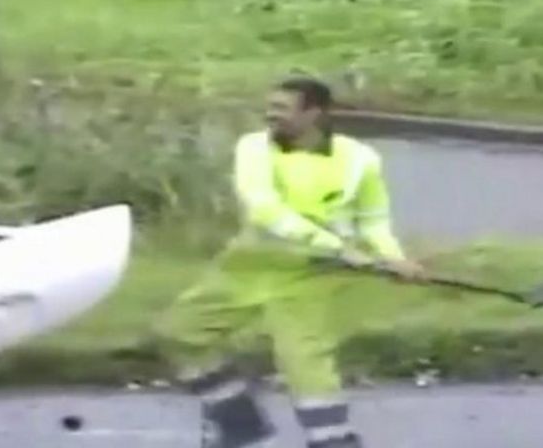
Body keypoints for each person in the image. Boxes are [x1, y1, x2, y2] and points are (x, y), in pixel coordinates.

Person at [152, 76, 426, 448]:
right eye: (271, 106)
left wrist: (394, 259)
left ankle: (334, 441)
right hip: (249, 264)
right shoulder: (254, 147)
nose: (270, 114)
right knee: (179, 334)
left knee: (305, 362)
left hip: (314, 274)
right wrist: (338, 247)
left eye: (281, 108)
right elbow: (264, 209)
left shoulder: (361, 160)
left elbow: (374, 222)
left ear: (313, 113)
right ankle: (241, 424)